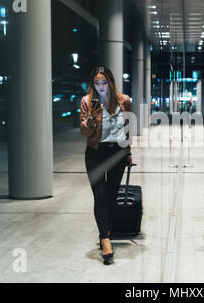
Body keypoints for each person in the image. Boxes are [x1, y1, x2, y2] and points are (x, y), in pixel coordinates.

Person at [80, 66, 133, 265]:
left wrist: (128, 152)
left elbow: (127, 129)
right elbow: (84, 132)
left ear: (110, 82)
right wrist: (92, 118)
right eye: (97, 83)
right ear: (93, 84)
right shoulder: (87, 102)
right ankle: (105, 239)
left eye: (104, 83)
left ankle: (106, 231)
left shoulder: (124, 101)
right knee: (100, 195)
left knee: (111, 195)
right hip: (95, 153)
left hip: (117, 154)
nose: (101, 87)